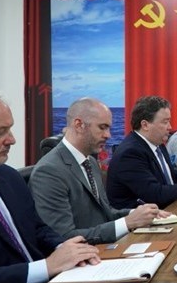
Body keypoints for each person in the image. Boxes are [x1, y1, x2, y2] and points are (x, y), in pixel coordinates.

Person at [0, 89, 99, 283]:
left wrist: (65, 247)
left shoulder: (8, 176)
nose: (12, 140)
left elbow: (37, 228)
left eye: (10, 129)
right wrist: (47, 267)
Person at [29, 97, 168, 244]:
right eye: (102, 127)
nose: (108, 135)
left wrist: (138, 213)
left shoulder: (91, 162)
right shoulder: (49, 171)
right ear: (79, 125)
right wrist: (127, 222)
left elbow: (105, 213)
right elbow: (63, 238)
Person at [106, 96, 177, 209]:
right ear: (145, 125)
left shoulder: (158, 144)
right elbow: (155, 194)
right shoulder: (130, 153)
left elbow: (166, 178)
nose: (170, 127)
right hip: (142, 222)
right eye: (165, 122)